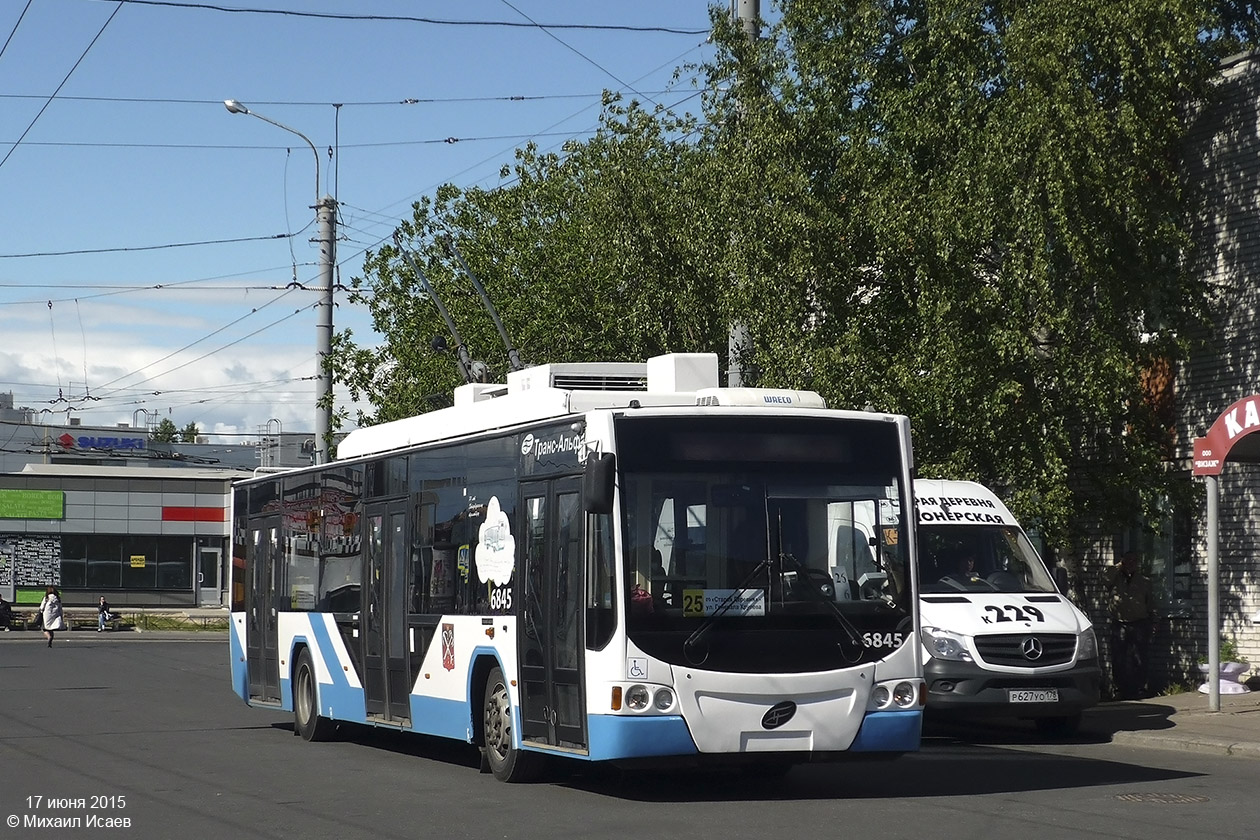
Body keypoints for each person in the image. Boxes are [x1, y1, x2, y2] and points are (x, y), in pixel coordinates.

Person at [1104, 550, 1159, 699]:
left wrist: (1154, 621)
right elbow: (1104, 579)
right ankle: (1120, 690)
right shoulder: (1115, 579)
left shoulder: (1144, 581)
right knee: (1119, 657)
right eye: (1127, 561)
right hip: (1119, 622)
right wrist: (1118, 567)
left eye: (1133, 561)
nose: (1130, 564)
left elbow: (1150, 603)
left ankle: (1140, 688)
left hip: (1139, 623)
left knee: (1140, 656)